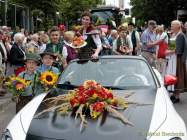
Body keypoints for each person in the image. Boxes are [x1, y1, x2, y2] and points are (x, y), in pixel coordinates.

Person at [168, 20, 187, 103]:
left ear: (177, 26)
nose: (171, 26)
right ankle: (174, 93)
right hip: (172, 58)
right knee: (173, 75)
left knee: (177, 76)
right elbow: (171, 47)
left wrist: (168, 52)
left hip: (178, 59)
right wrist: (169, 51)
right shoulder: (174, 34)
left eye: (172, 25)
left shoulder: (180, 35)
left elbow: (178, 50)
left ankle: (177, 96)